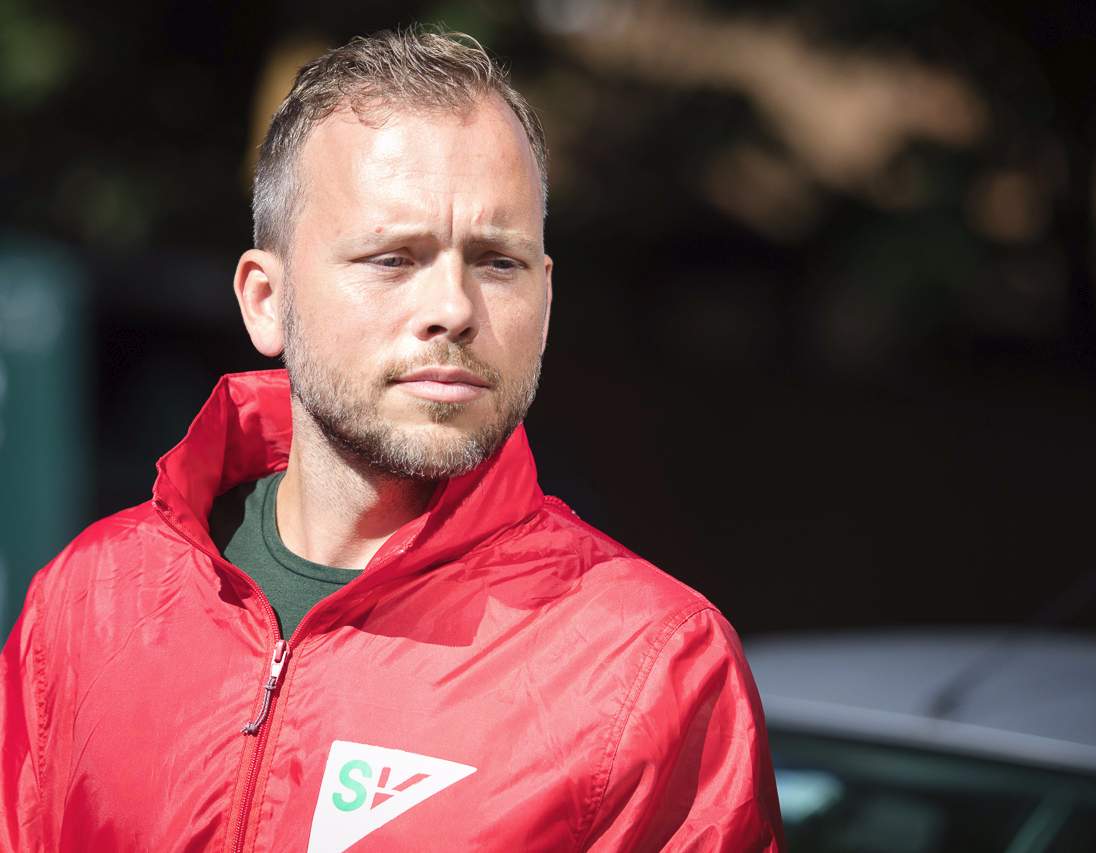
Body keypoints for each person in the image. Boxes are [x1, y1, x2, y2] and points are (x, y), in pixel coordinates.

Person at [0, 27, 783, 853]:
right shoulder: (90, 601)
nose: (453, 305)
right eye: (393, 258)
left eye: (497, 261)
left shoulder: (654, 666)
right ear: (267, 300)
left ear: (546, 303)